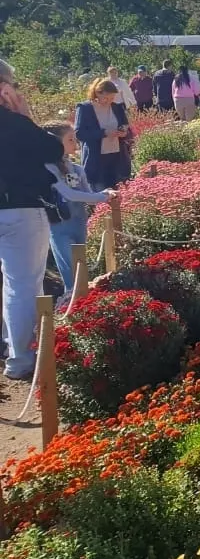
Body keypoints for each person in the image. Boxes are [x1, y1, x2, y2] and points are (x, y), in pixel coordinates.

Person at [0, 58, 61, 380]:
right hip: (18, 210)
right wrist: (25, 117)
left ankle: (8, 344)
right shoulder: (13, 123)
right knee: (22, 284)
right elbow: (51, 150)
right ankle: (20, 358)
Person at [39, 122, 115, 295]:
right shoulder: (48, 169)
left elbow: (87, 195)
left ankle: (82, 307)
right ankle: (70, 307)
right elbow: (69, 195)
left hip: (79, 223)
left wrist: (106, 194)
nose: (76, 143)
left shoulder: (76, 168)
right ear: (54, 143)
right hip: (60, 227)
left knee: (81, 270)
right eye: (70, 139)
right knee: (72, 273)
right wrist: (101, 197)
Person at [74, 78, 131, 191]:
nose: (109, 101)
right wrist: (103, 133)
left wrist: (123, 132)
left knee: (119, 192)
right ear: (97, 93)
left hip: (117, 157)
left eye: (112, 98)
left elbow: (126, 126)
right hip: (96, 159)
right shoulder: (85, 108)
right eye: (106, 98)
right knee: (100, 194)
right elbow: (79, 134)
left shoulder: (117, 107)